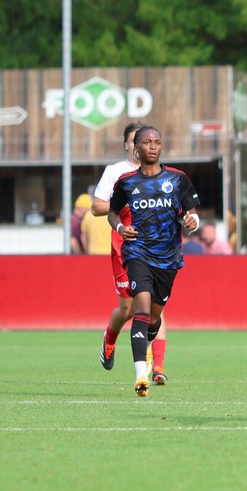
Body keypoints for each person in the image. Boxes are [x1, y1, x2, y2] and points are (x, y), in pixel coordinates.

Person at [107, 125, 200, 397]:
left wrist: (192, 223)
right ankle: (140, 375)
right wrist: (121, 229)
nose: (152, 146)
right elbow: (113, 213)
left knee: (154, 318)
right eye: (147, 142)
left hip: (168, 258)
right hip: (137, 253)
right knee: (141, 308)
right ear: (136, 148)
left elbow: (191, 215)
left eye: (157, 142)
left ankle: (148, 345)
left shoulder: (178, 179)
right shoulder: (126, 182)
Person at [91, 121, 171, 384]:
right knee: (128, 308)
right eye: (138, 140)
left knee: (153, 308)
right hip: (124, 247)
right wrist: (127, 202)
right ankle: (110, 337)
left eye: (150, 140)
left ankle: (156, 365)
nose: (145, 145)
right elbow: (97, 207)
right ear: (129, 145)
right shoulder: (116, 173)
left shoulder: (161, 173)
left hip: (156, 248)